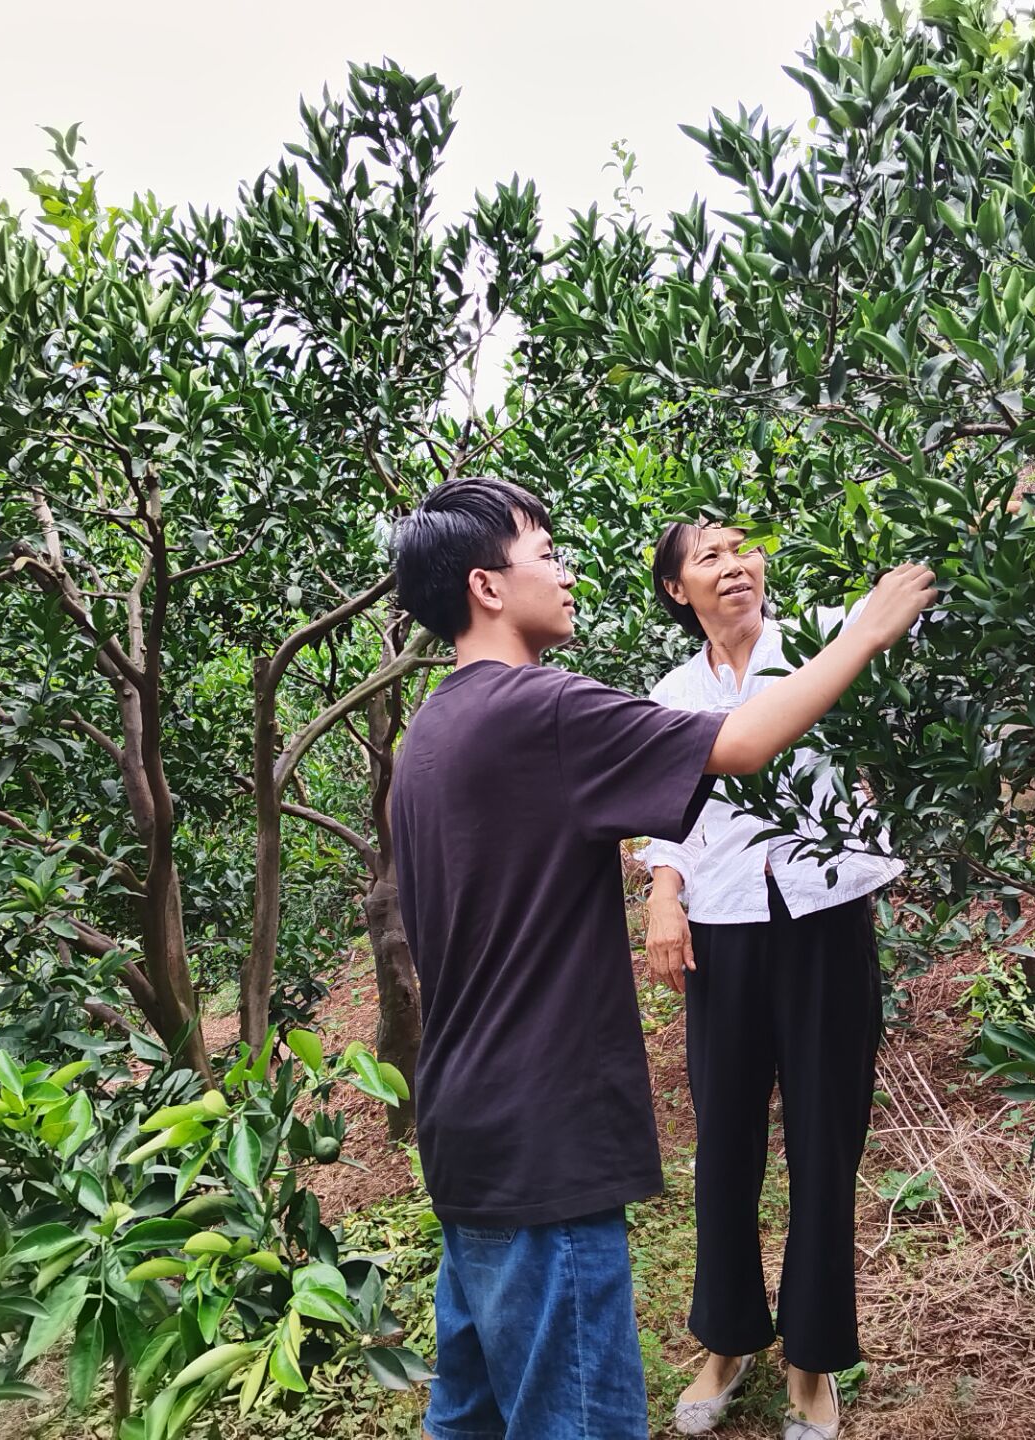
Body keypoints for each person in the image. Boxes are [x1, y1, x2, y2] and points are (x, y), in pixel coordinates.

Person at [388, 478, 936, 1440]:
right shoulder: (544, 709)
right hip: (548, 1140)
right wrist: (867, 630)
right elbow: (745, 743)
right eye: (546, 554)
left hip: (467, 1132)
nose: (566, 573)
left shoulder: (429, 732)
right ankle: (733, 1341)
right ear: (487, 586)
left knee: (469, 1422)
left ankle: (808, 1359)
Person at [642, 522, 913, 1440]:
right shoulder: (674, 694)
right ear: (678, 589)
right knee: (724, 1142)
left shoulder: (825, 640)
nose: (735, 567)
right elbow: (670, 813)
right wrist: (664, 895)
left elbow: (904, 623)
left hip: (825, 918)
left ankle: (813, 1359)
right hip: (722, 932)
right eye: (710, 557)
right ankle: (726, 1342)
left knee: (825, 1142)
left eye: (743, 549)